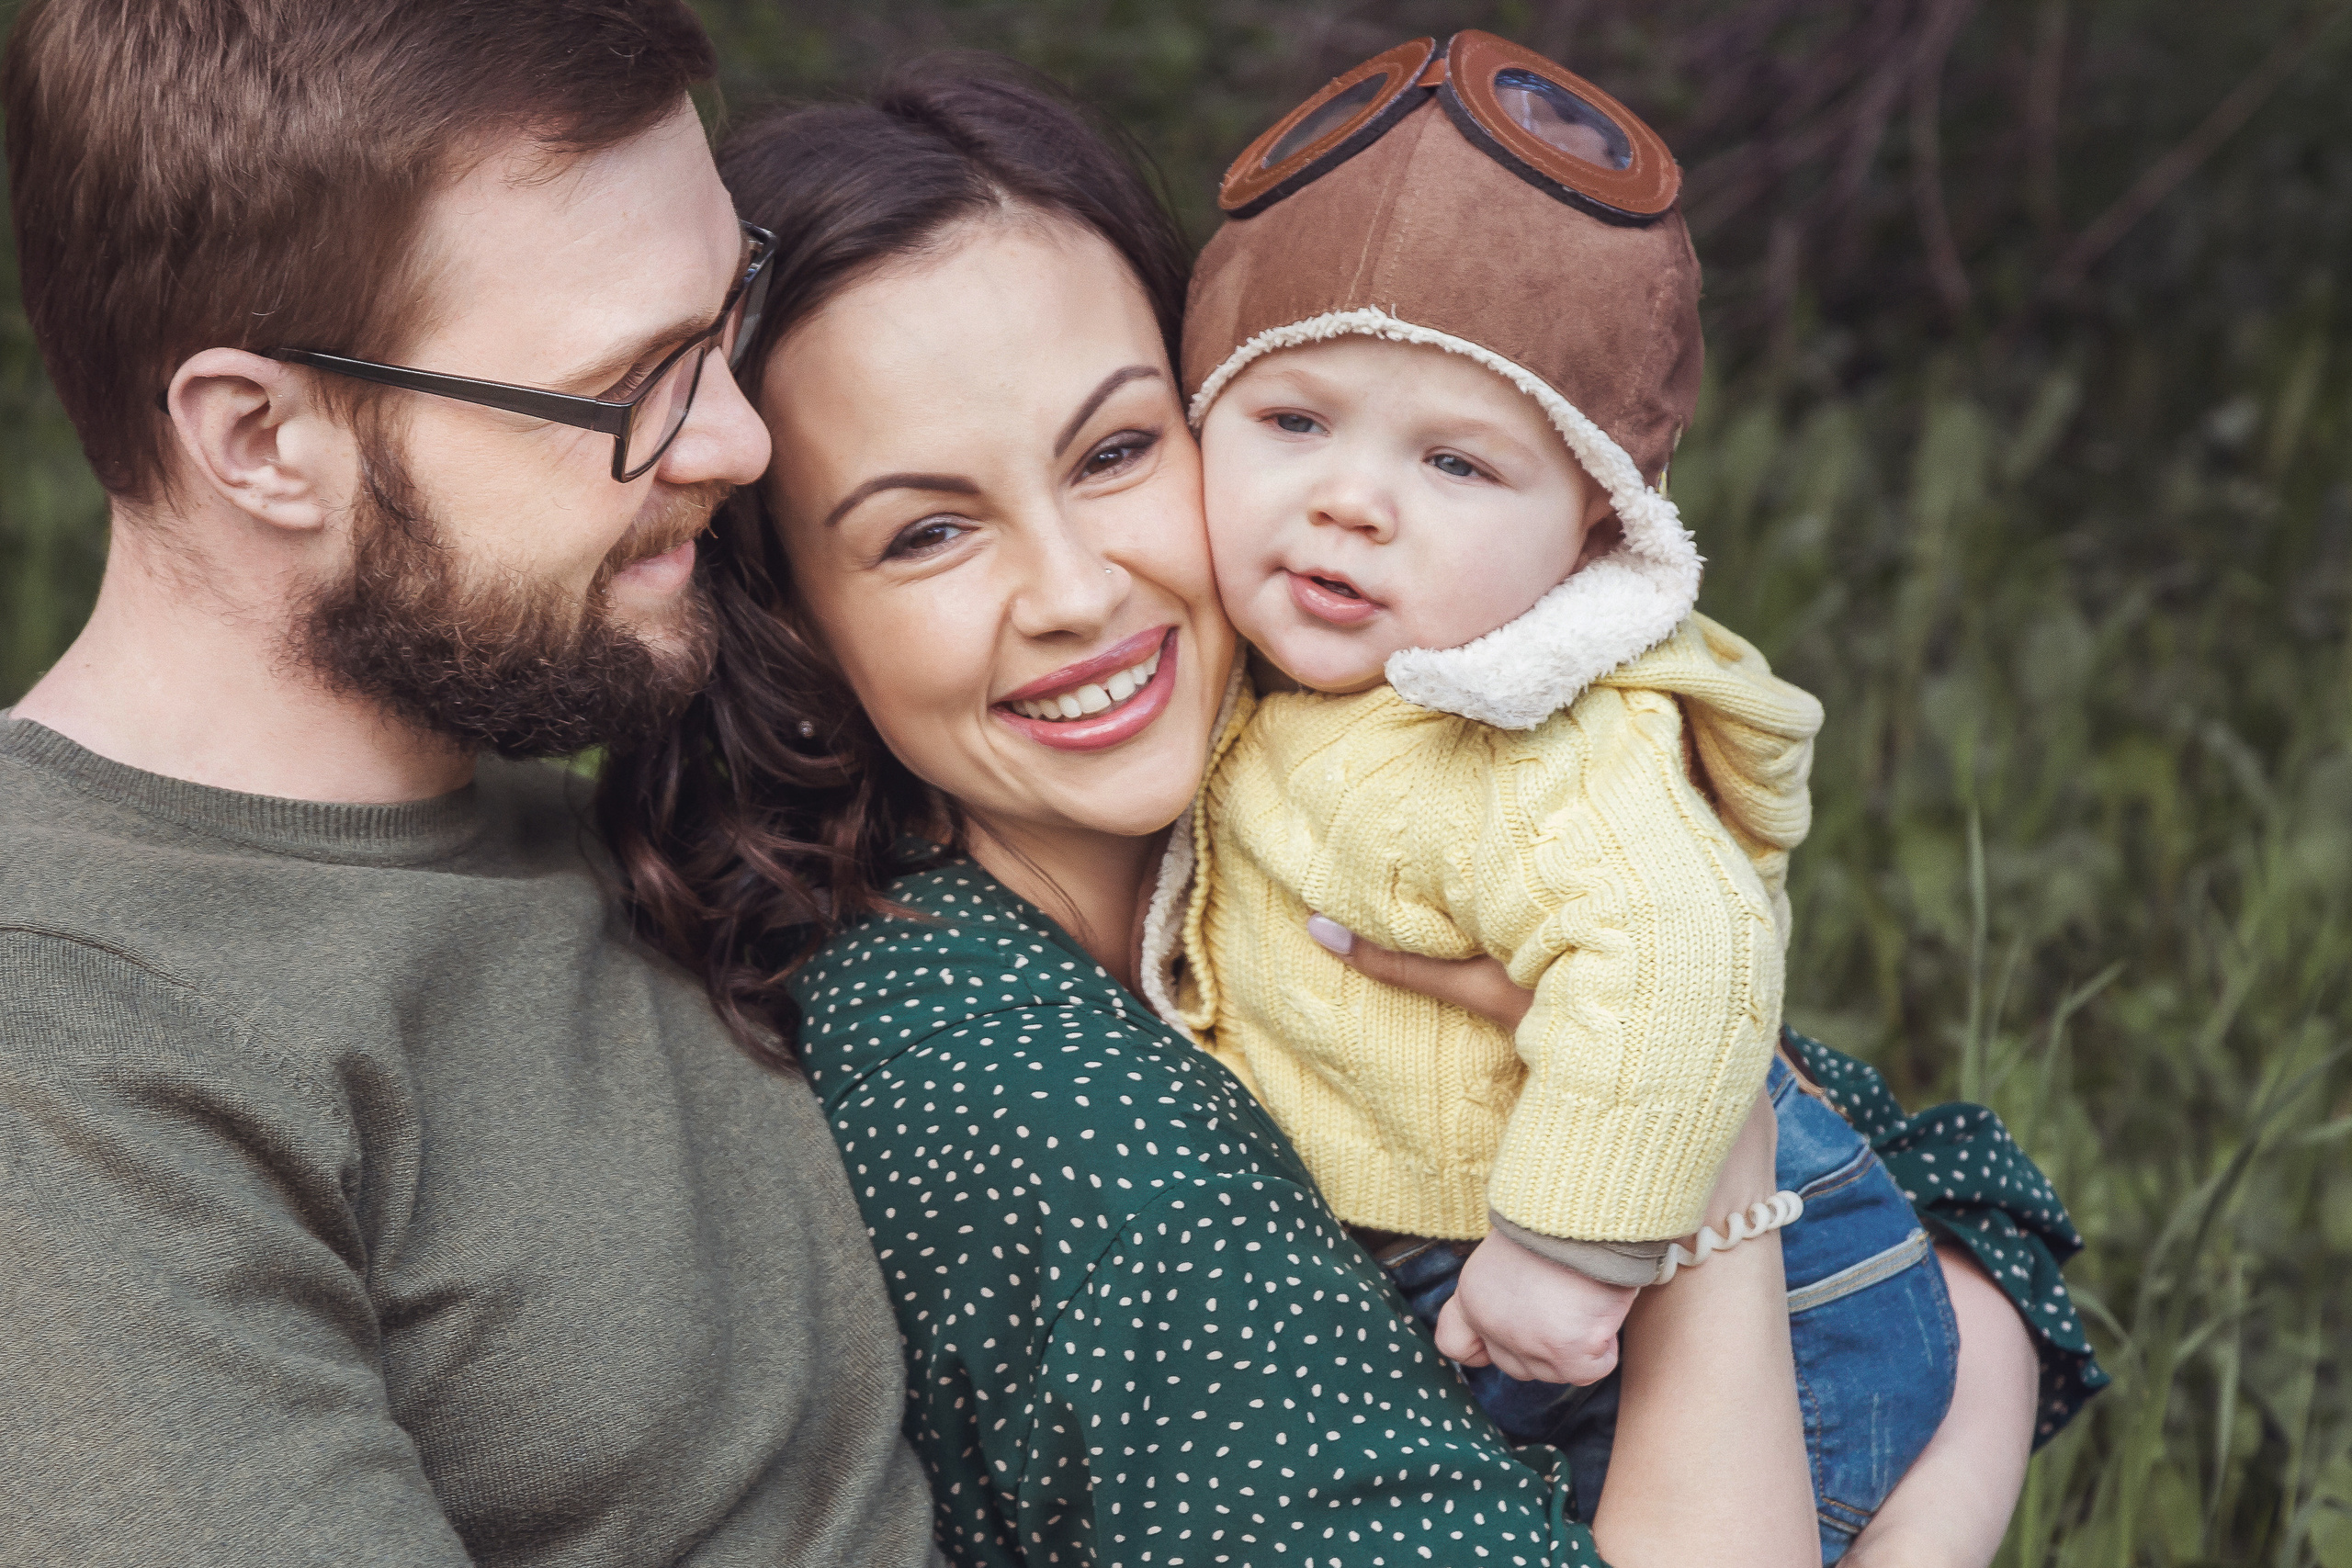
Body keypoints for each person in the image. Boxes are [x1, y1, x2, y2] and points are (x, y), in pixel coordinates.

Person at [603, 59, 2101, 1568]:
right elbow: (1806, 1164)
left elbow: (1969, 1213)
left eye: (1118, 451)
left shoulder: (1341, 792)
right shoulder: (1015, 1069)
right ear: (786, 609)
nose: (1073, 593)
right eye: (926, 532)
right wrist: (1710, 1192)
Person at [0, 3, 937, 1562]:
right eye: (633, 385)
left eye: (730, 316)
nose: (741, 439)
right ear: (260, 440)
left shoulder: (607, 787)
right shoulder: (76, 1040)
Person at [1164, 32, 1957, 1555]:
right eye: (1294, 420)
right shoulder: (1294, 680)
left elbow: (1685, 951)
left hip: (1744, 1303)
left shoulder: (1537, 744)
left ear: (1594, 535)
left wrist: (1562, 1252)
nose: (1352, 498)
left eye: (1457, 465)